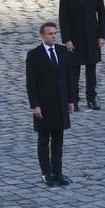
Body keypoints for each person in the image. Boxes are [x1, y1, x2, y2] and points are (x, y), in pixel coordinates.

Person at [26, 22, 76, 187]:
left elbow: (69, 78)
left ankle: (57, 171)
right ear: (42, 36)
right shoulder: (34, 55)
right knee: (43, 140)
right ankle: (45, 172)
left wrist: (71, 100)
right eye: (50, 34)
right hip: (44, 104)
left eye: (55, 33)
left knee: (58, 140)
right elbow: (31, 83)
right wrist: (35, 105)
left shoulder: (63, 52)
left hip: (60, 103)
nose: (54, 36)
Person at [58, 0, 105, 111]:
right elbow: (63, 18)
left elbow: (101, 13)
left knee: (91, 70)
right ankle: (74, 100)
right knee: (74, 71)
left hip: (92, 38)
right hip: (75, 39)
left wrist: (102, 35)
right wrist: (67, 39)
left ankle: (91, 99)